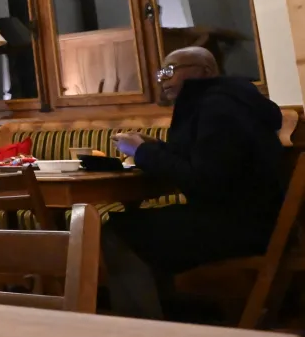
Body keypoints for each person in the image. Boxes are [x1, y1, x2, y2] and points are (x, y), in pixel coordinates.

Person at [102, 46, 286, 320]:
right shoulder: (226, 100)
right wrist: (158, 149)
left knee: (116, 231)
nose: (162, 79)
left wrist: (142, 152)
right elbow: (209, 161)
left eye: (170, 70)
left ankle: (146, 331)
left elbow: (203, 180)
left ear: (206, 71)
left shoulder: (219, 108)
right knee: (131, 226)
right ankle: (174, 317)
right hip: (249, 217)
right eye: (160, 72)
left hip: (240, 225)